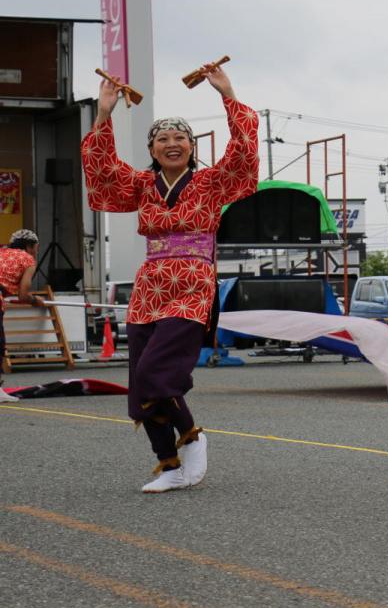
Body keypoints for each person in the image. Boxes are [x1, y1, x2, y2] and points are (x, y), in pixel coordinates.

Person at [82, 64, 259, 493]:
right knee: (140, 378)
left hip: (193, 282)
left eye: (181, 138)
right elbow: (102, 171)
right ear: (153, 148)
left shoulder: (213, 182)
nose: (172, 143)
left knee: (158, 373)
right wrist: (105, 113)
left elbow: (244, 152)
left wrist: (227, 93)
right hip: (149, 286)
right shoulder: (143, 185)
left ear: (193, 147)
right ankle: (169, 463)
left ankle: (193, 438)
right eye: (163, 139)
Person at [0, 230, 49, 385]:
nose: (36, 251)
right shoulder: (27, 260)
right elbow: (23, 295)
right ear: (29, 246)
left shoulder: (1, 251)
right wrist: (35, 300)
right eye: (36, 247)